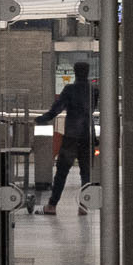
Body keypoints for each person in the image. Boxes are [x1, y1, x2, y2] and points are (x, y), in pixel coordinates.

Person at [38, 60, 93, 213]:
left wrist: (43, 118)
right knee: (86, 173)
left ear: (75, 72)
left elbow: (57, 108)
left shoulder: (70, 89)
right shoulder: (93, 90)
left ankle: (52, 205)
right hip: (86, 136)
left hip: (71, 136)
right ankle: (84, 205)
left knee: (62, 172)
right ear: (87, 72)